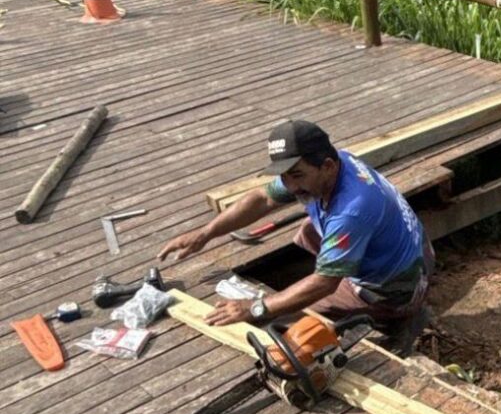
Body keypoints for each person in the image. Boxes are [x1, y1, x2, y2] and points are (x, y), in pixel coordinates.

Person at [159, 119, 435, 352]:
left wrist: (255, 308)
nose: (290, 186)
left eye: (297, 176)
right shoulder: (338, 162)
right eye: (286, 176)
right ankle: (365, 290)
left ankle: (396, 321)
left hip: (396, 286)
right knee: (308, 230)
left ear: (327, 166)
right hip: (413, 248)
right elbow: (262, 198)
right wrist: (205, 233)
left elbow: (325, 283)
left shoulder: (352, 209)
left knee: (289, 316)